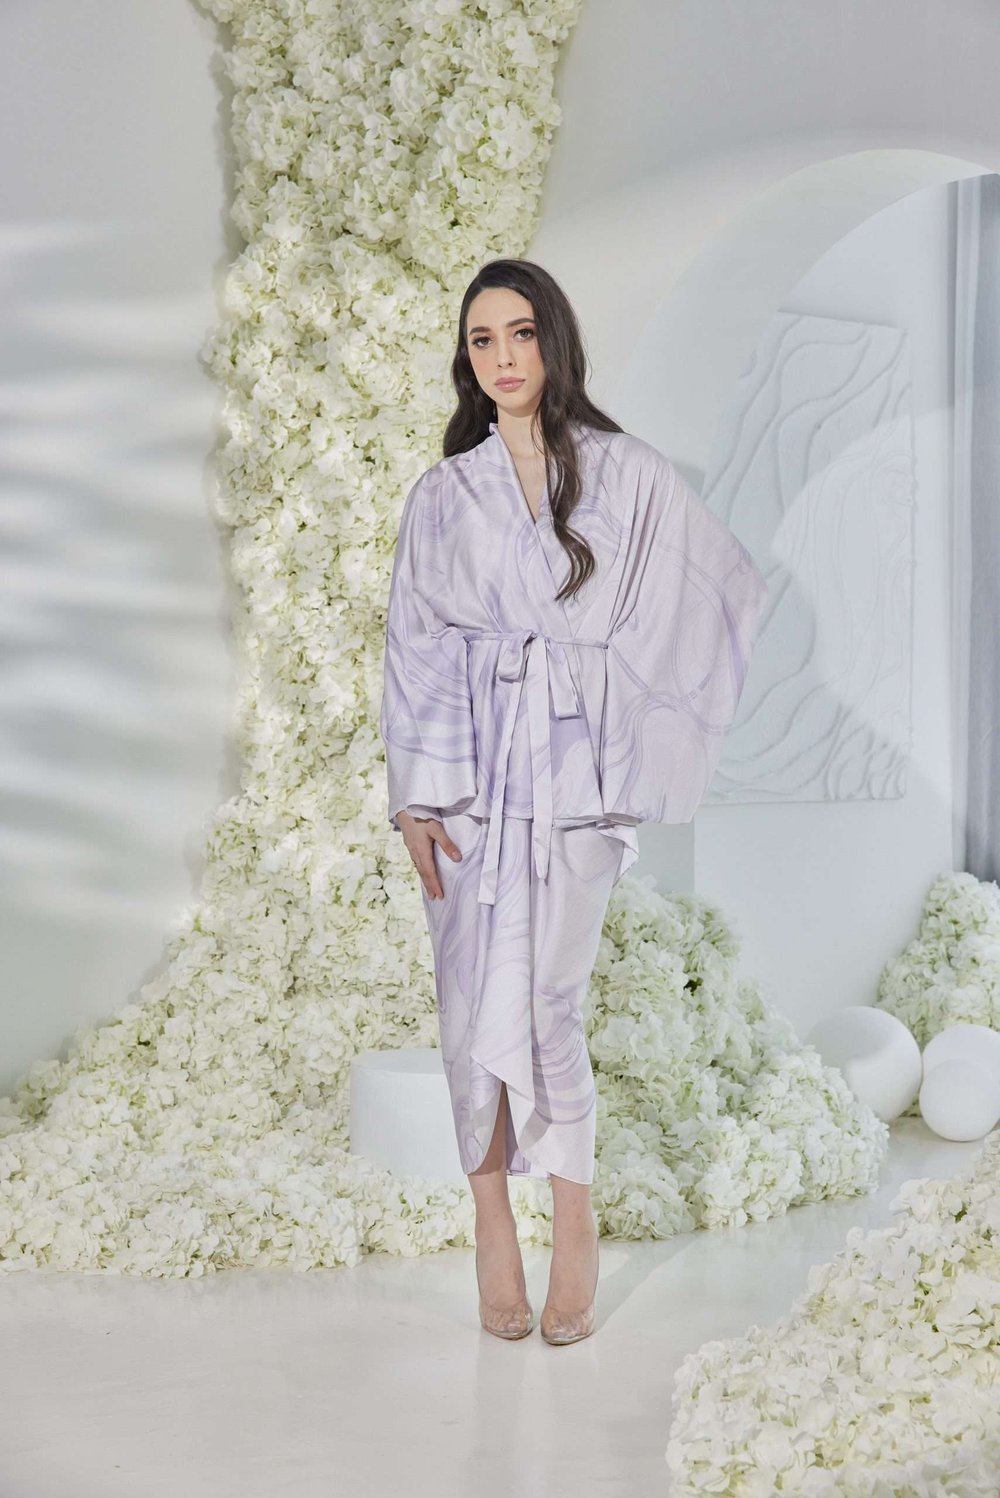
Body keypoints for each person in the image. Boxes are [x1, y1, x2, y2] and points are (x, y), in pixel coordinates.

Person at [378, 258, 768, 1345]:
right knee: (468, 1005)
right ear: (466, 358)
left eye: (520, 333)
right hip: (467, 780)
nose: (502, 358)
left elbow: (712, 594)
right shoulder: (443, 495)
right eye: (481, 339)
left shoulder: (624, 472)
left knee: (551, 1000)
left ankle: (576, 1214)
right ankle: (491, 1220)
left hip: (574, 776)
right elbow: (414, 643)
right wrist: (416, 797)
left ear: (554, 340)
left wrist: (620, 722)